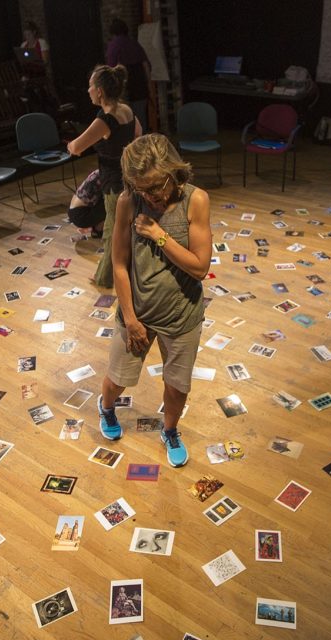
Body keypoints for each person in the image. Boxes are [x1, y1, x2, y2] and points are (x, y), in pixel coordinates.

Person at [96, 134, 212, 468]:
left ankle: (170, 430)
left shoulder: (197, 200)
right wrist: (130, 318)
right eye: (142, 189)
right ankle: (105, 408)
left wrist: (158, 235)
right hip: (138, 313)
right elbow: (119, 263)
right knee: (117, 380)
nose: (153, 196)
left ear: (173, 172)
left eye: (157, 186)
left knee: (177, 387)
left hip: (183, 314)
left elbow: (200, 267)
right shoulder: (127, 201)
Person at [66, 65, 143, 288]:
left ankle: (105, 278)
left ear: (99, 91)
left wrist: (71, 145)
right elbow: (138, 135)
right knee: (125, 226)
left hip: (113, 183)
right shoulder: (126, 110)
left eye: (90, 86)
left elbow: (77, 146)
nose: (88, 90)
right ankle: (127, 271)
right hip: (129, 176)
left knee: (112, 231)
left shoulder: (105, 119)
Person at [106, 18, 152, 132]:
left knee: (125, 122)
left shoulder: (113, 46)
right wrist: (148, 86)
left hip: (124, 89)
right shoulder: (135, 44)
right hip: (140, 86)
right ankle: (142, 147)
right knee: (140, 120)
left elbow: (111, 70)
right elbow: (146, 66)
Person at [68, 169, 106, 237]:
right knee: (111, 204)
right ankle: (97, 230)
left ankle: (95, 228)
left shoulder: (98, 172)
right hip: (80, 215)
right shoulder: (104, 176)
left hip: (74, 211)